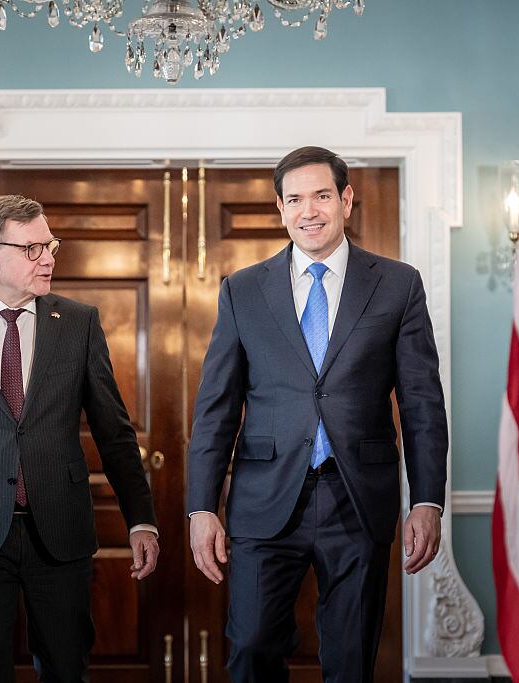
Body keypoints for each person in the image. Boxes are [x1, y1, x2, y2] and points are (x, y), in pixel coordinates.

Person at [186, 146, 448, 683]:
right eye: (296, 199)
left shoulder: (398, 285)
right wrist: (200, 508)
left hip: (357, 500)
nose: (310, 210)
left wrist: (426, 499)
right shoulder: (243, 290)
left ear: (346, 200)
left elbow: (422, 402)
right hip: (263, 501)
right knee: (253, 648)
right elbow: (216, 408)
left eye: (322, 195)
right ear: (280, 208)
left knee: (351, 660)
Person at [0, 194, 160, 683]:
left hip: (59, 530)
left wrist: (141, 517)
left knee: (65, 669)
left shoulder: (79, 323)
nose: (48, 258)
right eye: (32, 248)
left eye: (50, 245)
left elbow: (114, 432)